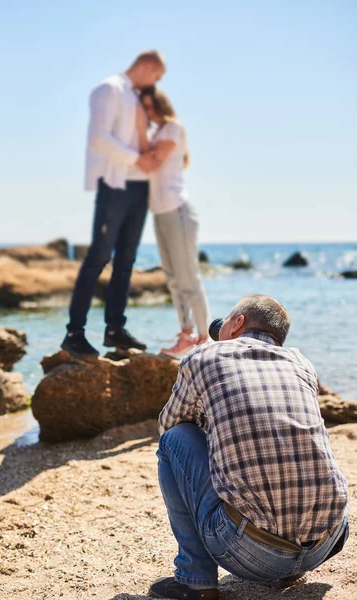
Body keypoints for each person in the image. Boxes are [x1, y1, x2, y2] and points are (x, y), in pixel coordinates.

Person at [148, 295, 349, 599]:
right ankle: (292, 570)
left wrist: (211, 421)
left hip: (251, 553)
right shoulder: (301, 363)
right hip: (327, 541)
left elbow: (169, 426)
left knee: (174, 440)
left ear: (238, 323)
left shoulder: (203, 357)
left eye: (227, 321)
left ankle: (196, 580)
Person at [62, 51, 165, 359]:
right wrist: (138, 159)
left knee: (127, 261)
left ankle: (114, 329)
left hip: (138, 187)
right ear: (148, 66)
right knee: (99, 255)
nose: (155, 83)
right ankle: (74, 333)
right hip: (115, 184)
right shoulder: (109, 89)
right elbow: (98, 138)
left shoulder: (134, 97)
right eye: (157, 76)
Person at [137, 87, 210, 358]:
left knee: (188, 276)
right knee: (172, 277)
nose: (149, 113)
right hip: (160, 213)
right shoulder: (156, 133)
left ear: (161, 105)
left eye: (151, 107)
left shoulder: (172, 128)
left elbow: (151, 162)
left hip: (178, 212)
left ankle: (204, 339)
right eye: (145, 109)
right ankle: (186, 335)